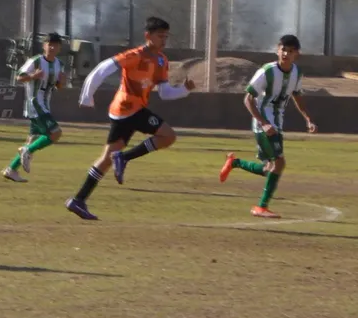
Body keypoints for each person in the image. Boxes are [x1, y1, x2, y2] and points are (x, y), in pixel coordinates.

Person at [66, 17, 195, 220]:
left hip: (131, 111)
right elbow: (102, 68)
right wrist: (87, 96)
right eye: (160, 36)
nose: (164, 40)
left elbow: (165, 93)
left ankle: (78, 200)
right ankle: (123, 159)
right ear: (147, 36)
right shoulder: (134, 55)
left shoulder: (161, 60)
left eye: (166, 36)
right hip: (127, 109)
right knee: (168, 136)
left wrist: (184, 90)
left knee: (107, 158)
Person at [219, 35, 316, 218]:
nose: (286, 53)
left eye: (290, 50)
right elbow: (247, 98)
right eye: (283, 49)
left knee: (269, 169)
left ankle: (235, 162)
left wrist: (308, 119)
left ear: (297, 54)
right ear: (277, 50)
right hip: (263, 122)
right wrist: (263, 123)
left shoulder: (296, 73)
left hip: (277, 123)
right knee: (279, 163)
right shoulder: (267, 71)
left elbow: (297, 96)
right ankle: (261, 207)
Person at [3, 32, 66, 182]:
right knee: (55, 133)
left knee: (33, 139)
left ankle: (11, 169)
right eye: (49, 44)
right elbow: (19, 77)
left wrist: (61, 83)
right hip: (35, 102)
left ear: (59, 48)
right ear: (44, 46)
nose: (51, 47)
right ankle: (27, 151)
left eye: (55, 45)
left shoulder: (59, 64)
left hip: (45, 104)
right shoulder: (35, 61)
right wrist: (33, 76)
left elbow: (57, 87)